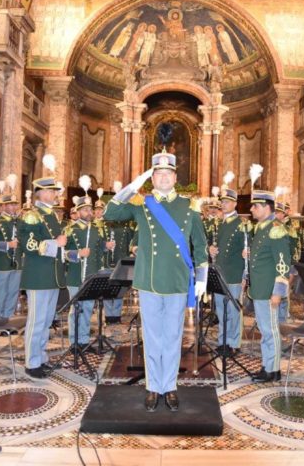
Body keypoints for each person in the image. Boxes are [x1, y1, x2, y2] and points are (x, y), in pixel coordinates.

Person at [105, 149, 208, 412]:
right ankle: (153, 387)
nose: (163, 178)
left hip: (177, 280)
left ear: (175, 178)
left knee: (173, 337)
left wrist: (202, 277)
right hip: (148, 281)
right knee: (152, 338)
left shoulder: (189, 206)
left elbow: (200, 245)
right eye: (158, 174)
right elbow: (110, 213)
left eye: (168, 174)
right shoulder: (142, 204)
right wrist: (134, 184)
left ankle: (169, 386)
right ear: (152, 178)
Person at [18, 160, 67, 379]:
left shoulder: (51, 215)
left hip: (52, 275)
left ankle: (41, 356)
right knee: (37, 320)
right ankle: (32, 362)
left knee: (46, 321)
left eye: (55, 190)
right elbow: (28, 245)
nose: (55, 194)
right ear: (41, 193)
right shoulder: (32, 215)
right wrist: (56, 243)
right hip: (38, 276)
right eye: (51, 191)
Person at [244, 189, 292, 382]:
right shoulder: (262, 227)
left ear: (266, 207)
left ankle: (273, 370)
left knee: (270, 331)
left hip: (269, 290)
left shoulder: (276, 229)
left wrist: (278, 292)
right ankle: (267, 365)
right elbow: (264, 257)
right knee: (265, 331)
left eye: (255, 206)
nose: (251, 209)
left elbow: (283, 263)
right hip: (260, 288)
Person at [65, 195, 114, 348]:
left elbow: (98, 252)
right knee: (75, 310)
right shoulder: (70, 230)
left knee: (87, 309)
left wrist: (106, 246)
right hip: (75, 276)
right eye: (85, 210)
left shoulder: (95, 230)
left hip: (91, 276)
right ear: (78, 212)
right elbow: (62, 253)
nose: (88, 212)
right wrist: (77, 253)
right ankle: (74, 342)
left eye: (90, 209)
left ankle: (84, 341)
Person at [209, 183, 247, 355]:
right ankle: (223, 340)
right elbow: (217, 246)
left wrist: (245, 276)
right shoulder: (220, 224)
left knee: (233, 310)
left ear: (235, 204)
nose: (223, 205)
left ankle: (233, 343)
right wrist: (211, 249)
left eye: (226, 202)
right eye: (222, 202)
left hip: (234, 273)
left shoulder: (242, 224)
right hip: (220, 272)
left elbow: (247, 251)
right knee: (221, 310)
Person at [0, 193, 22, 319]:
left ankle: (8, 318)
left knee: (13, 293)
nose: (14, 207)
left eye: (15, 204)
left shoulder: (20, 222)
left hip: (17, 262)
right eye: (11, 204)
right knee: (1, 294)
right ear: (4, 206)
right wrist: (7, 245)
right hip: (1, 263)